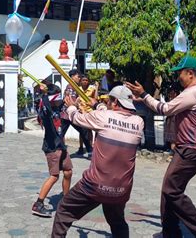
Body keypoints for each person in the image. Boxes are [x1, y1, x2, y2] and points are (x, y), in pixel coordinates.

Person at [125, 56, 196, 238]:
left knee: (171, 190)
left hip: (193, 149)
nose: (178, 77)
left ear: (190, 73)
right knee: (168, 190)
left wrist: (145, 95)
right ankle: (171, 232)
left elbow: (165, 109)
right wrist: (143, 100)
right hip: (190, 148)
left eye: (180, 73)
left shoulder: (193, 92)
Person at [51, 85, 144, 238]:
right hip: (122, 188)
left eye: (109, 101)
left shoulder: (102, 117)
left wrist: (71, 107)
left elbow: (76, 118)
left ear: (114, 102)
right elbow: (110, 116)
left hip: (94, 186)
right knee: (117, 222)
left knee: (64, 210)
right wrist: (97, 104)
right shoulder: (139, 123)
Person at [31, 83, 72, 218]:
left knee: (68, 171)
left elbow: (67, 109)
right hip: (52, 148)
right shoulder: (46, 111)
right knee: (54, 176)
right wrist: (44, 93)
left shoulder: (58, 108)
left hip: (61, 146)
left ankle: (66, 201)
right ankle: (38, 203)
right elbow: (45, 104)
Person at [60, 69, 93, 158]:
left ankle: (89, 151)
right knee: (62, 134)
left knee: (83, 131)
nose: (79, 78)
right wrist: (77, 103)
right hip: (67, 115)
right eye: (78, 76)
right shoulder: (70, 87)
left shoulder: (74, 87)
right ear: (72, 77)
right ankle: (58, 152)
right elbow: (68, 101)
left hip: (71, 114)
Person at [77, 74, 96, 155]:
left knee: (89, 130)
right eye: (83, 80)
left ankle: (90, 147)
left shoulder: (92, 89)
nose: (85, 82)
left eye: (86, 80)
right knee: (81, 131)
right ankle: (81, 147)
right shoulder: (78, 89)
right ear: (80, 81)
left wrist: (97, 88)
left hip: (89, 111)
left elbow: (95, 99)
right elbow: (77, 100)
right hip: (81, 111)